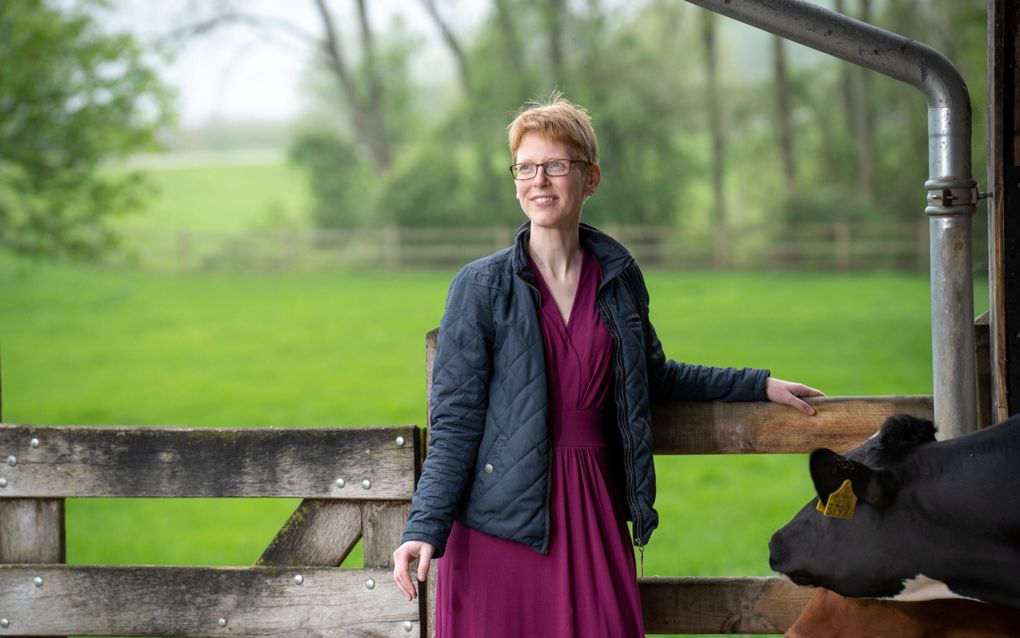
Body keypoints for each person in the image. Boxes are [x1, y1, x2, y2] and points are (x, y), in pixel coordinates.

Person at [392, 94, 823, 637]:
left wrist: (757, 384)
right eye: (525, 168)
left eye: (556, 165)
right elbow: (454, 421)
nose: (539, 181)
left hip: (594, 503)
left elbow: (653, 376)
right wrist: (424, 526)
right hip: (501, 521)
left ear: (590, 177)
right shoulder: (480, 286)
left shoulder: (619, 277)